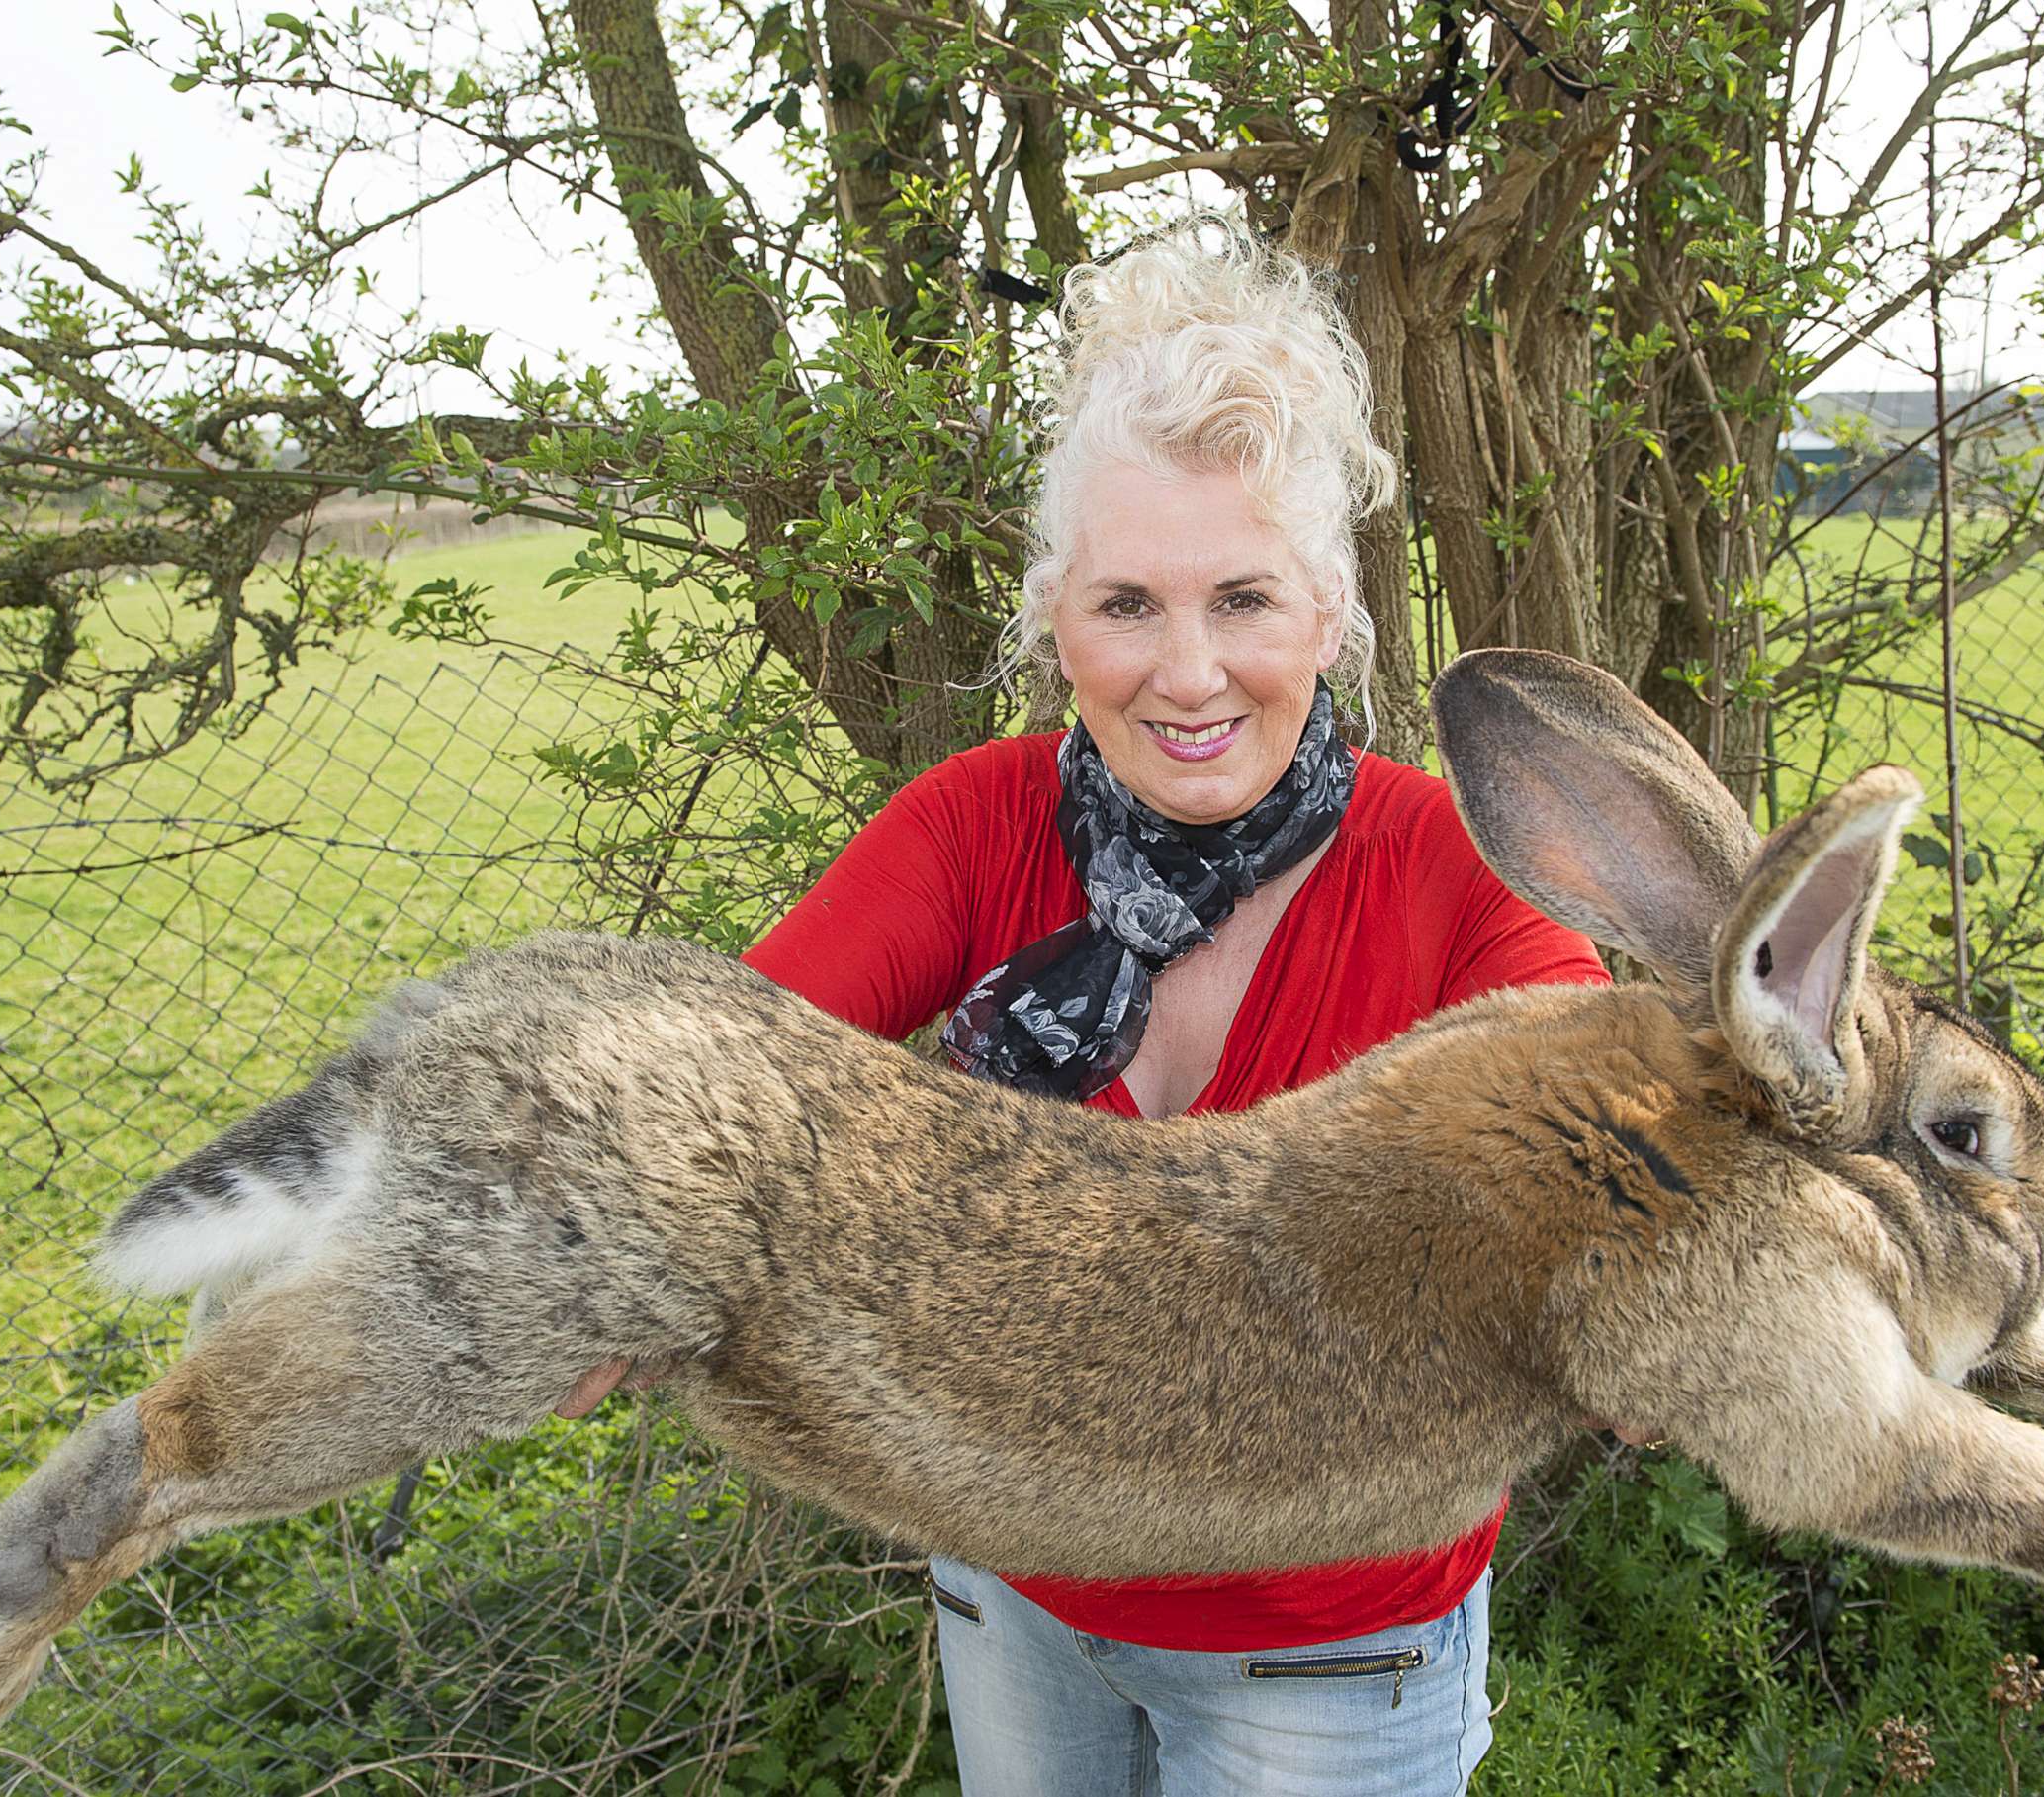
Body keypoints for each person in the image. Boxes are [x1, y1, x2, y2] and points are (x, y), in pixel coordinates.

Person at [568, 218, 1606, 1792]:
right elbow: (705, 1082)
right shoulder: (975, 828)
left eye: (1243, 599)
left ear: (1329, 612)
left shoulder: (1461, 874)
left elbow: (1600, 1174)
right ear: (1056, 617)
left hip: (1327, 1655)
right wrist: (588, 1245)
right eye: (1128, 603)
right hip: (1017, 1595)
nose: (1187, 674)